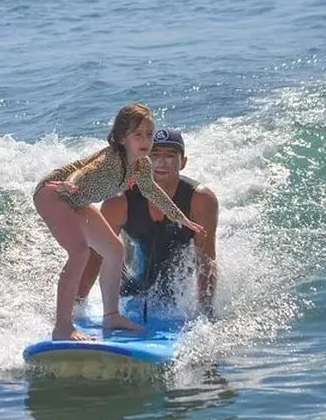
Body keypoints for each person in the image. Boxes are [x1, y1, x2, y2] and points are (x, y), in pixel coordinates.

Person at [33, 103, 204, 341]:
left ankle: (111, 315)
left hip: (77, 201)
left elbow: (153, 193)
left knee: (114, 250)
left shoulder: (142, 165)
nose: (145, 140)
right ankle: (62, 327)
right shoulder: (111, 159)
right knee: (80, 252)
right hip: (53, 194)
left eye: (148, 134)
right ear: (123, 138)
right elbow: (84, 172)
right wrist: (70, 182)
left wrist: (182, 218)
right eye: (137, 135)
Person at [77, 128, 218, 316]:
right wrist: (77, 305)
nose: (160, 162)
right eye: (154, 155)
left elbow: (206, 259)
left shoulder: (200, 200)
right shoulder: (118, 203)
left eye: (170, 155)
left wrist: (205, 312)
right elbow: (96, 257)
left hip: (177, 293)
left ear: (182, 162)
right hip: (130, 292)